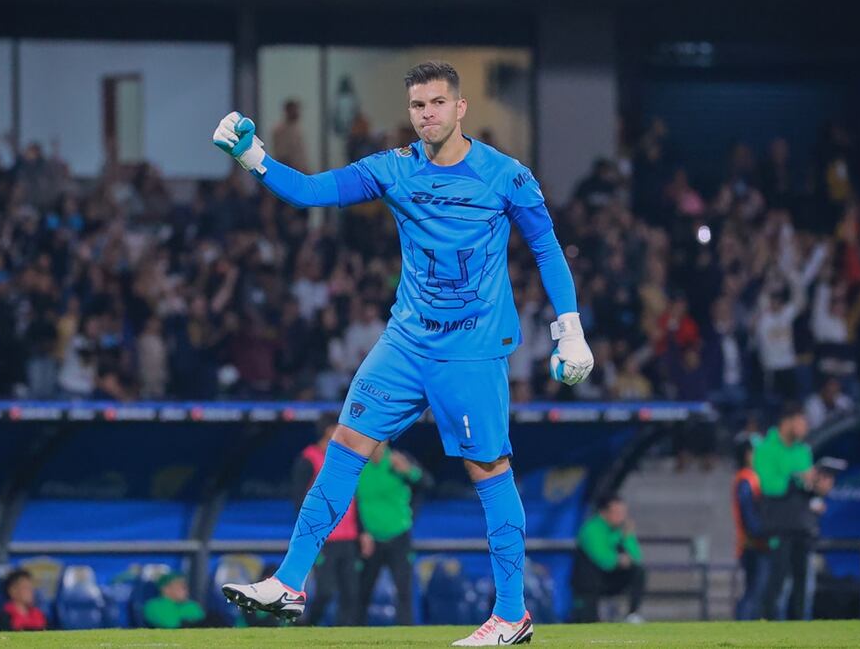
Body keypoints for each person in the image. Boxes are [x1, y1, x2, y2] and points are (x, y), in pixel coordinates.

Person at [215, 60, 594, 646]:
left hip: (471, 351)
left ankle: (513, 615)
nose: (427, 115)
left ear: (461, 107)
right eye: (418, 106)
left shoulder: (506, 176)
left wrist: (570, 329)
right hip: (405, 341)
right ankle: (289, 582)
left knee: (488, 469)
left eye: (438, 103)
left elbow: (545, 247)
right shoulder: (393, 169)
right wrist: (253, 158)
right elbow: (313, 192)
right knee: (343, 445)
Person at [290, 419, 362, 626]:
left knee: (351, 592)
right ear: (330, 430)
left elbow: (355, 498)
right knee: (326, 591)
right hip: (324, 538)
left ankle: (343, 635)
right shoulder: (308, 459)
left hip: (349, 536)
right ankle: (308, 626)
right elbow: (298, 500)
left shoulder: (346, 459)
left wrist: (362, 531)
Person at [356, 442, 433, 625]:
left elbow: (427, 483)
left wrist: (408, 470)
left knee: (404, 591)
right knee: (362, 592)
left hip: (399, 535)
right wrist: (361, 532)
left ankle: (406, 635)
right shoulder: (358, 464)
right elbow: (351, 501)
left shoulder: (398, 460)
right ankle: (354, 636)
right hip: (370, 539)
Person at [754, 402, 816, 620]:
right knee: (777, 579)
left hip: (801, 524)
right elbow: (768, 485)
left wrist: (817, 487)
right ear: (787, 422)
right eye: (801, 422)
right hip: (778, 524)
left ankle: (798, 630)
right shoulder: (765, 448)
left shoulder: (803, 450)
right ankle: (768, 625)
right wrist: (798, 478)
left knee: (802, 581)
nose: (805, 428)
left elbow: (808, 489)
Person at [570, 496, 646, 624]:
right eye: (617, 513)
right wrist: (619, 559)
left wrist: (627, 537)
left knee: (639, 572)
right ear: (603, 512)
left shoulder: (621, 530)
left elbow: (637, 558)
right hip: (590, 581)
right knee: (588, 620)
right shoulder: (591, 528)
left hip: (610, 578)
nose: (621, 517)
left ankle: (632, 615)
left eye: (623, 513)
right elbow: (602, 559)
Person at [732, 436, 770, 620]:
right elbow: (749, 513)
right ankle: (742, 625)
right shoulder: (747, 480)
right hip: (754, 544)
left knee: (755, 590)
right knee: (755, 591)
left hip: (752, 543)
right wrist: (762, 533)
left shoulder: (747, 478)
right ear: (748, 455)